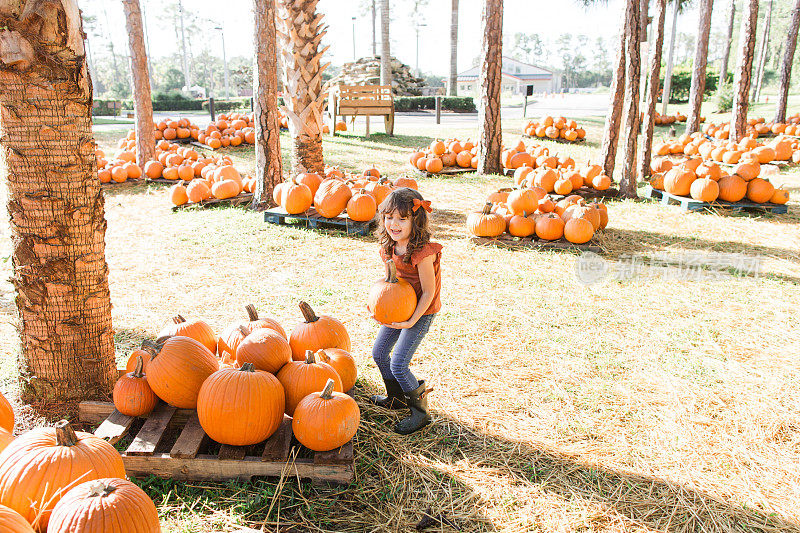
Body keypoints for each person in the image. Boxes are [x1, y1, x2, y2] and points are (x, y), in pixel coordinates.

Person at [370, 187, 442, 435]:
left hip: (422, 310)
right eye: (389, 217)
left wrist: (412, 320)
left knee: (399, 362)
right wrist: (379, 305)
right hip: (400, 309)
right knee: (379, 353)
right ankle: (396, 398)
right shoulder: (389, 247)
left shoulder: (422, 253)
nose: (394, 224)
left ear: (416, 220)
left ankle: (420, 413)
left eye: (402, 218)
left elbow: (428, 292)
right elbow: (390, 282)